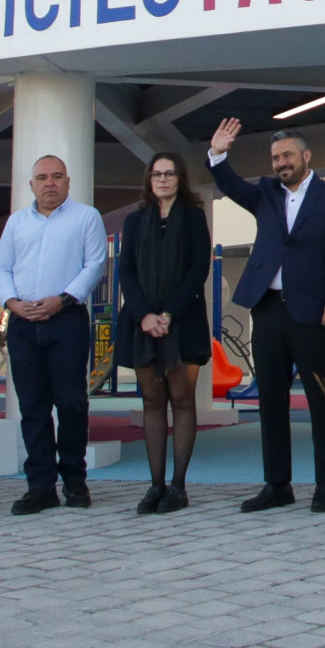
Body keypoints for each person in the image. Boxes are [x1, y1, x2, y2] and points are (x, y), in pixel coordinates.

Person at [208, 117, 325, 513]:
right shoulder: (267, 193)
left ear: (306, 156)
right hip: (269, 311)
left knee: (321, 400)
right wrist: (218, 155)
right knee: (270, 401)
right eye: (275, 157)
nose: (281, 163)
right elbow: (230, 186)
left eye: (288, 155)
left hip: (314, 313)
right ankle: (277, 485)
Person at [0, 153, 109, 514]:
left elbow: (95, 263)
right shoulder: (16, 223)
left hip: (66, 320)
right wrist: (12, 303)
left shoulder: (86, 217)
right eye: (42, 177)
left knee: (71, 403)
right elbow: (1, 267)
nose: (50, 183)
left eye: (57, 176)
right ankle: (40, 486)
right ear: (31, 185)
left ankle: (75, 481)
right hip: (24, 323)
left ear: (68, 181)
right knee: (33, 407)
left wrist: (63, 299)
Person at [113, 150, 213, 515]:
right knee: (152, 402)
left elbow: (197, 269)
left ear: (179, 178)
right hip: (143, 323)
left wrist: (169, 313)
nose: (163, 180)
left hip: (182, 321)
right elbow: (126, 272)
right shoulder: (136, 221)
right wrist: (144, 316)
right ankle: (154, 485)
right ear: (149, 179)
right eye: (157, 174)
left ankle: (178, 486)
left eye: (170, 174)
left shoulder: (193, 217)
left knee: (182, 400)